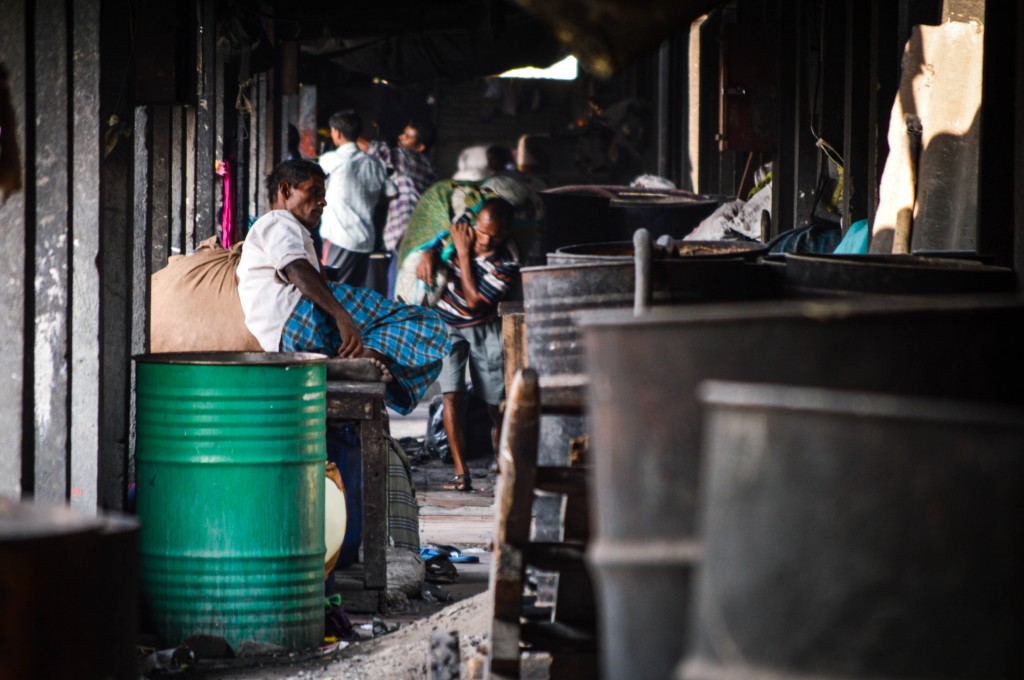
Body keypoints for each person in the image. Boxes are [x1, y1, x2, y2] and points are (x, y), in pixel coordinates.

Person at [237, 159, 449, 415]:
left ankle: (347, 363)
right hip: (299, 315)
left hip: (288, 339)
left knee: (401, 336)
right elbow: (297, 270)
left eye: (323, 195)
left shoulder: (290, 230)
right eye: (314, 192)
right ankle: (361, 360)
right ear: (285, 190)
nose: (322, 202)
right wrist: (342, 316)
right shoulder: (278, 221)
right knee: (423, 321)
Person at [416, 198, 520, 491]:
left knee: (496, 404)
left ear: (507, 233)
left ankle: (504, 465)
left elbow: (475, 304)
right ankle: (462, 474)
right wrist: (429, 253)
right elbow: (439, 241)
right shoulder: (464, 228)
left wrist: (463, 253)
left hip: (484, 327)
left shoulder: (508, 259)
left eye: (495, 235)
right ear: (476, 224)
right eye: (482, 232)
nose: (486, 240)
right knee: (452, 396)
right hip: (447, 325)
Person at [317, 110, 392, 286]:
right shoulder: (374, 163)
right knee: (354, 294)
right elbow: (391, 193)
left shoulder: (330, 160)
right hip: (366, 240)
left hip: (339, 237)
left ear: (337, 132)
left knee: (331, 290)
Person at [365, 120, 437, 298]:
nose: (400, 137)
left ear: (420, 147)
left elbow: (379, 150)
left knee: (397, 293)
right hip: (415, 237)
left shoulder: (412, 161)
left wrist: (348, 136)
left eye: (407, 136)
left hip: (409, 237)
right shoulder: (422, 166)